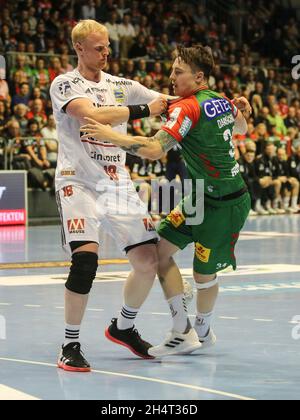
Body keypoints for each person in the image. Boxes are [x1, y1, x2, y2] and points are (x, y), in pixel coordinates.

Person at [80, 45, 252, 356]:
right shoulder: (219, 99)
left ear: (198, 76)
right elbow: (242, 127)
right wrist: (243, 110)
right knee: (158, 253)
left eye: (178, 72)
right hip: (199, 196)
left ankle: (203, 329)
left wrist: (112, 136)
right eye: (172, 70)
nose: (171, 76)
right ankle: (181, 331)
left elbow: (155, 150)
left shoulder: (188, 108)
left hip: (226, 203)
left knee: (203, 274)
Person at [50, 20, 167, 372]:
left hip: (117, 183)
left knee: (149, 261)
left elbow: (169, 101)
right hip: (78, 180)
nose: (106, 53)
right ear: (79, 49)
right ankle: (70, 344)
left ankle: (123, 327)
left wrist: (222, 104)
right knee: (85, 261)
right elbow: (91, 116)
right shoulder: (65, 83)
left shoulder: (121, 85)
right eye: (99, 48)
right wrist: (146, 111)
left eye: (107, 47)